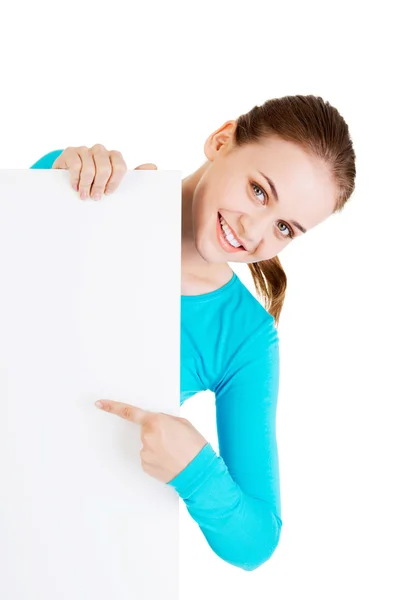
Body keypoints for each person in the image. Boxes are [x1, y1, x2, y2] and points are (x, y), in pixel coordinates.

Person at [30, 94, 356, 571]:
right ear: (221, 140)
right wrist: (53, 177)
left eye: (285, 227)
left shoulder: (245, 338)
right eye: (259, 191)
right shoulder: (91, 191)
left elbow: (256, 541)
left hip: (58, 542)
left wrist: (196, 471)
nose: (253, 230)